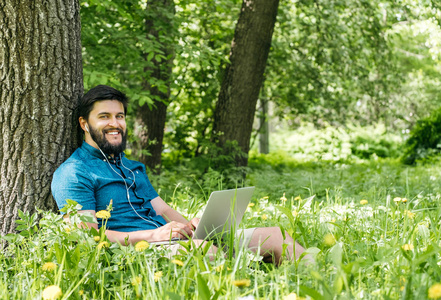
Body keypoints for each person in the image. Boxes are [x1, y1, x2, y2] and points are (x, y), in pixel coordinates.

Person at [51, 85, 308, 265]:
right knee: (205, 251)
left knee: (276, 235)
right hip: (136, 251)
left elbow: (163, 210)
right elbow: (85, 234)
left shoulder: (131, 167)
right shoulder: (74, 172)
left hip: (171, 240)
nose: (115, 123)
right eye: (104, 117)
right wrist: (154, 235)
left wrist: (193, 226)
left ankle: (324, 285)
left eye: (120, 116)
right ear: (84, 124)